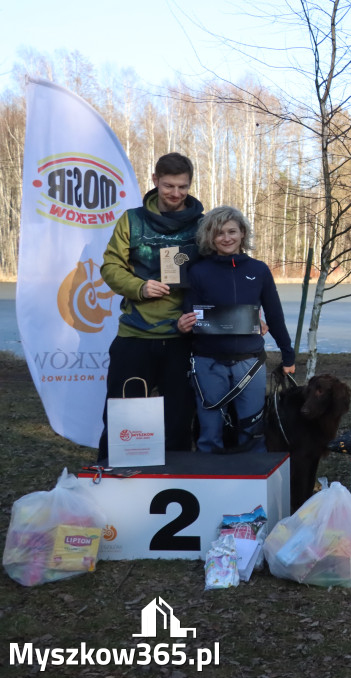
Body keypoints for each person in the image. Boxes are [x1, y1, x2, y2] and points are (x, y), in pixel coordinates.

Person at [98, 152, 204, 458]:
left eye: (183, 187)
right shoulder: (131, 220)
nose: (176, 193)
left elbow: (219, 272)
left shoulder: (202, 224)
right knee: (123, 418)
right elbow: (110, 268)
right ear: (155, 180)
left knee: (179, 421)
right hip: (135, 336)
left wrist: (248, 313)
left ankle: (175, 482)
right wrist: (140, 287)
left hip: (182, 339)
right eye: (169, 185)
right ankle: (113, 480)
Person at [176, 206, 295, 453]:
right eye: (219, 233)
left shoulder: (258, 270)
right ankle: (210, 484)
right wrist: (182, 324)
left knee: (252, 434)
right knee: (209, 434)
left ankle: (253, 486)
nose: (226, 238)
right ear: (210, 237)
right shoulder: (197, 271)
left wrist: (288, 353)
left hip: (249, 364)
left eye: (232, 231)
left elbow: (274, 314)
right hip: (208, 363)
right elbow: (189, 313)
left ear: (242, 233)